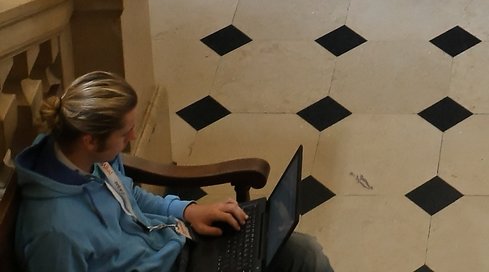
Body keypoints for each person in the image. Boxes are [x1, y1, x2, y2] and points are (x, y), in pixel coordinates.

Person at [14, 70, 334, 272]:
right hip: (171, 259)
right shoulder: (55, 234)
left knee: (305, 253)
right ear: (90, 139)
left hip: (177, 245)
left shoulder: (88, 157)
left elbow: (131, 196)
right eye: (125, 132)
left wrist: (189, 210)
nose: (133, 138)